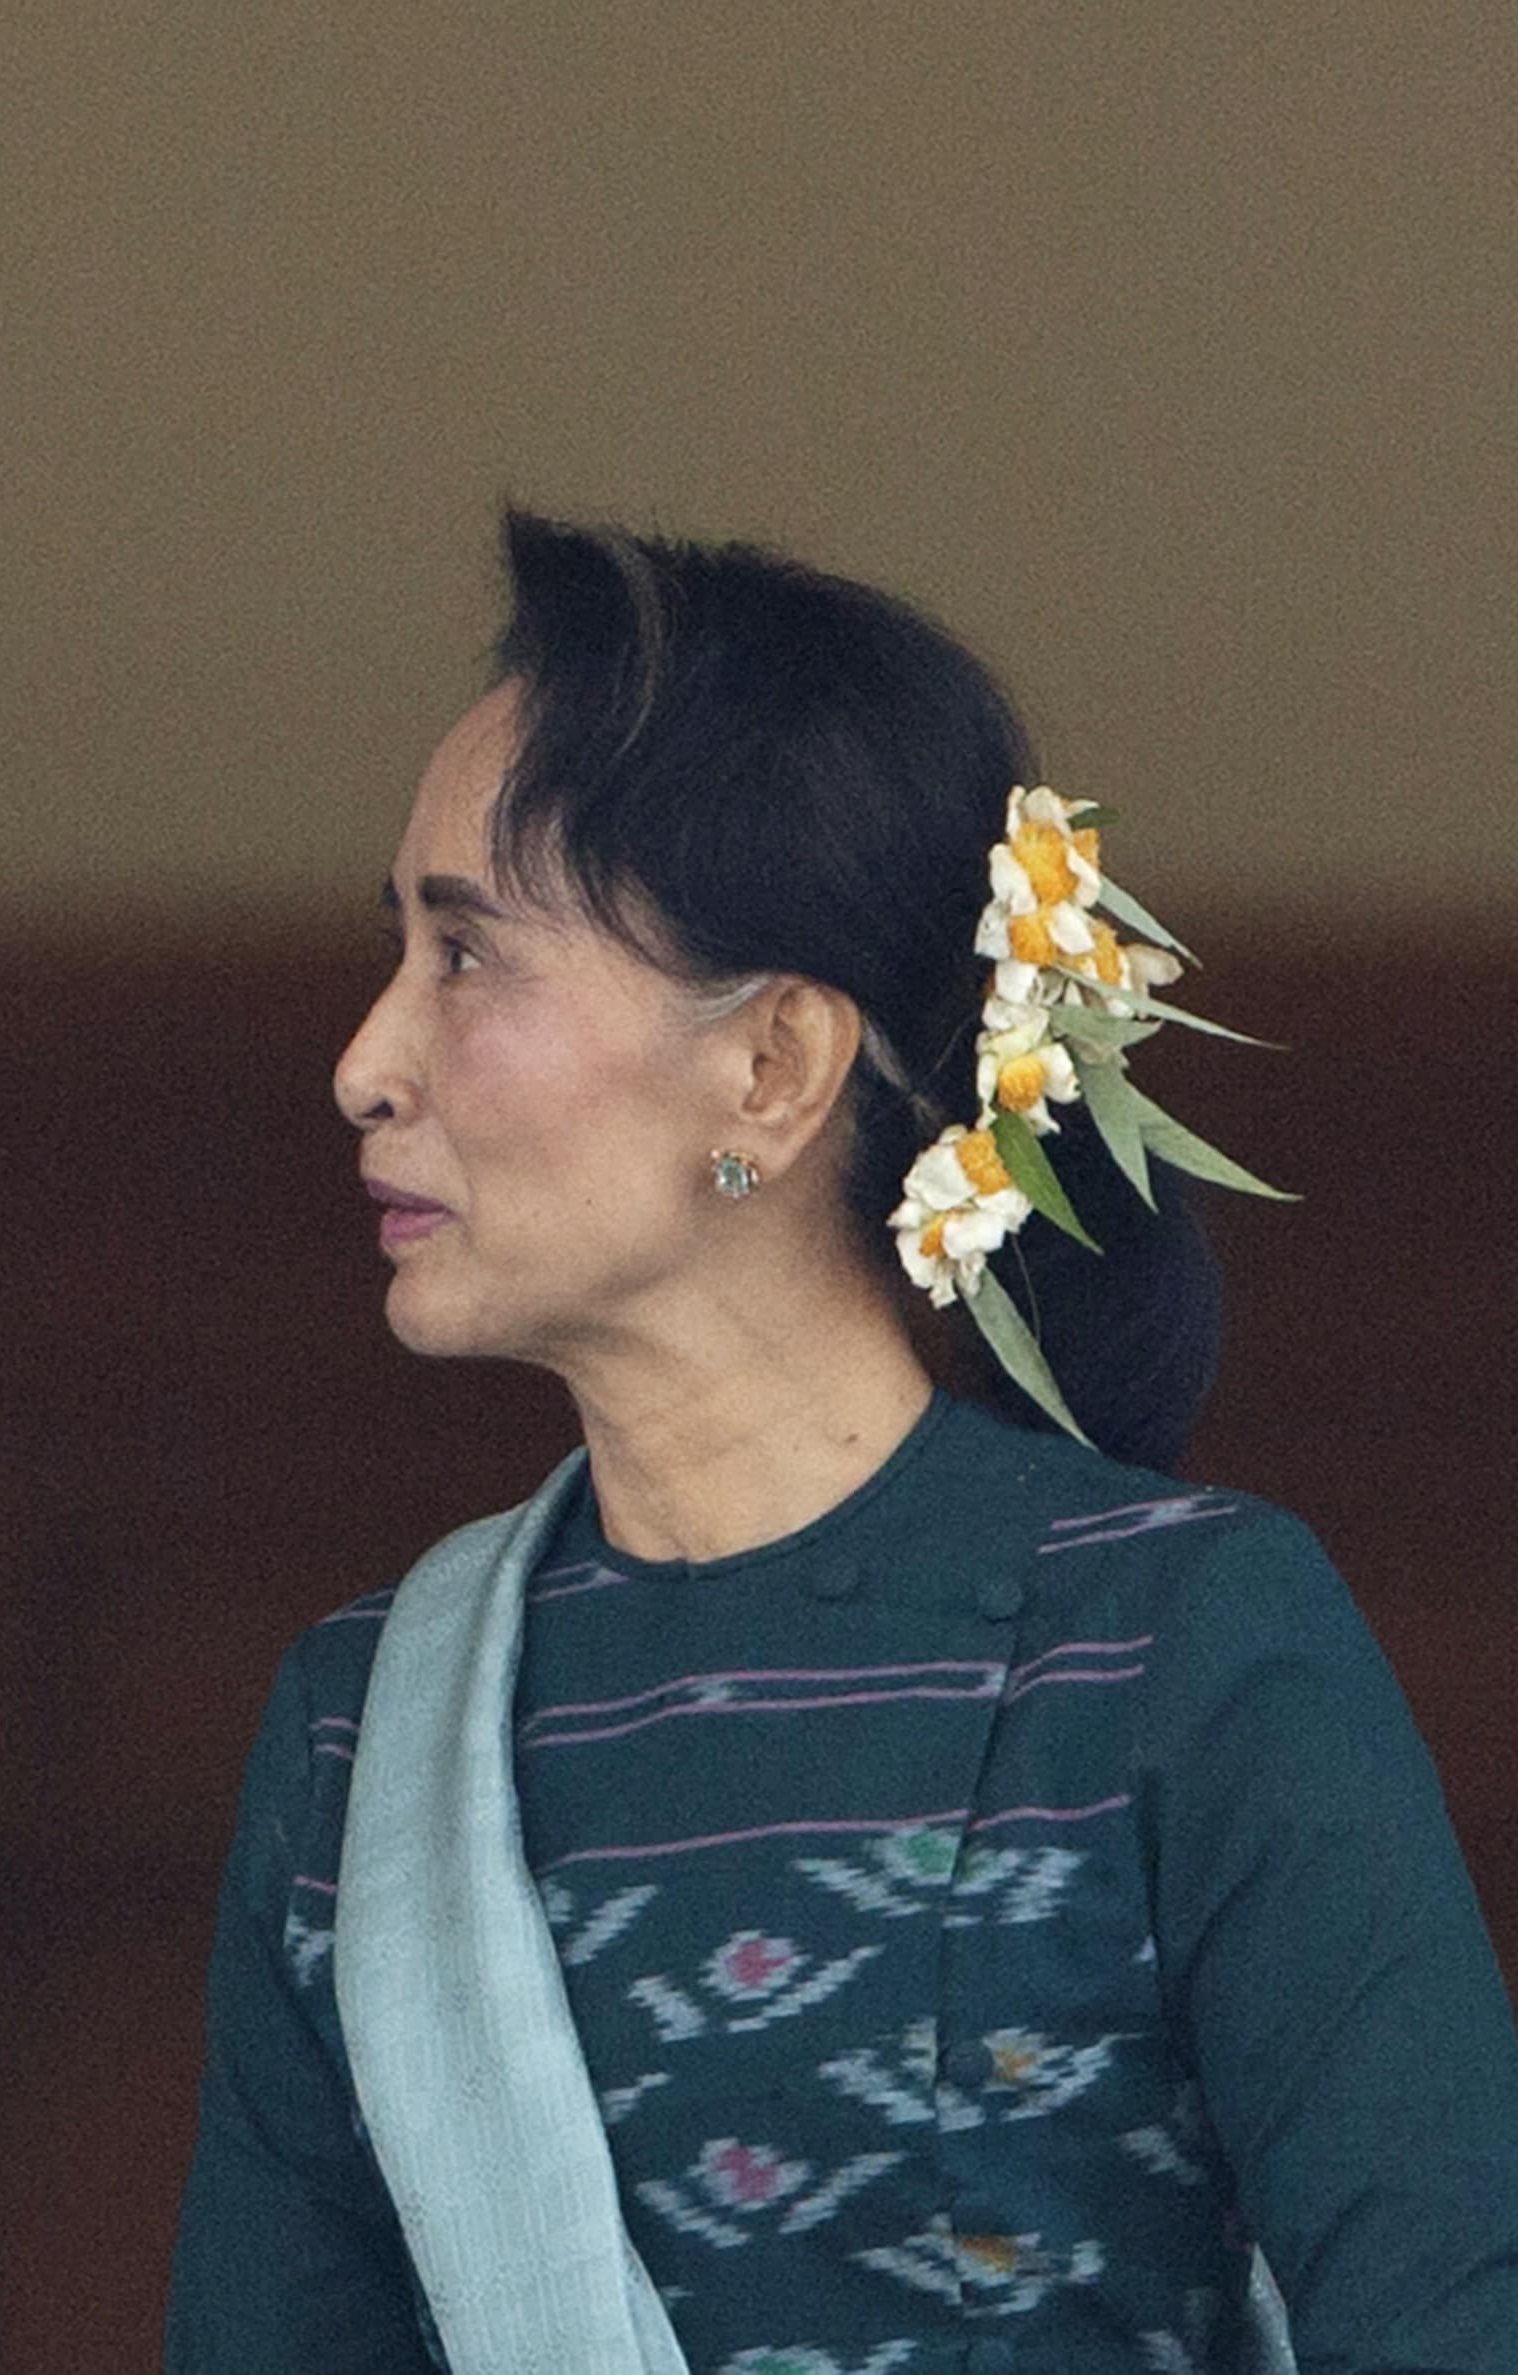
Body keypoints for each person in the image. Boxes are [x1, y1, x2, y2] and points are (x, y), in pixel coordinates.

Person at [166, 512, 1518, 2372]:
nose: (366, 1058)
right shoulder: (357, 1740)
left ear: (774, 1066)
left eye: (468, 955)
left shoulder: (1179, 1652)